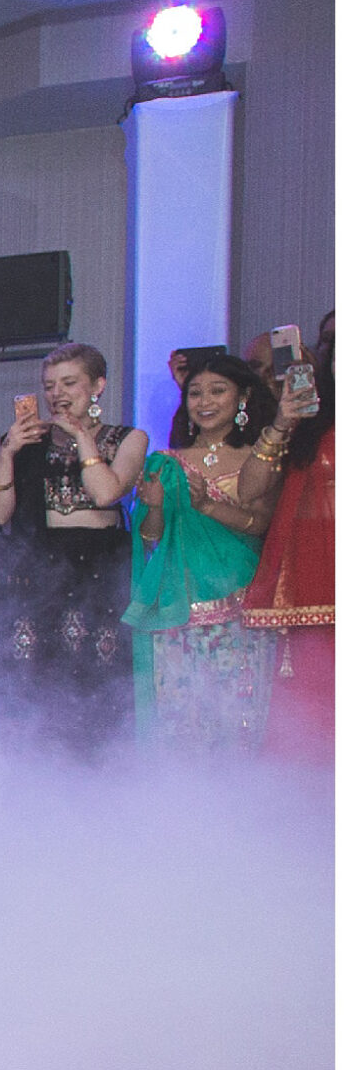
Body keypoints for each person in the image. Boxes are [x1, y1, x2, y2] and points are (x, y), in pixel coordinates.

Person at [0, 343, 148, 753]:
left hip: (98, 569)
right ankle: (35, 772)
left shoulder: (128, 438)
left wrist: (80, 436)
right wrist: (8, 452)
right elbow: (0, 515)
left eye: (69, 383)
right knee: (33, 678)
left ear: (97, 386)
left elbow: (106, 493)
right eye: (49, 385)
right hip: (38, 570)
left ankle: (98, 771)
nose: (56, 393)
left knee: (96, 674)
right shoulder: (27, 442)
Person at [124, 354, 277, 749]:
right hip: (178, 613)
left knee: (237, 718)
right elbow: (150, 540)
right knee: (181, 721)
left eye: (217, 391)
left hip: (241, 609)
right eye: (195, 393)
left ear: (242, 397)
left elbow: (260, 525)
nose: (205, 401)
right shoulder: (165, 463)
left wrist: (209, 506)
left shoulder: (259, 458)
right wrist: (154, 507)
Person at [236, 321, 333, 762]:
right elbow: (249, 490)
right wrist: (282, 422)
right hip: (309, 586)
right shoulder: (304, 425)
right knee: (311, 710)